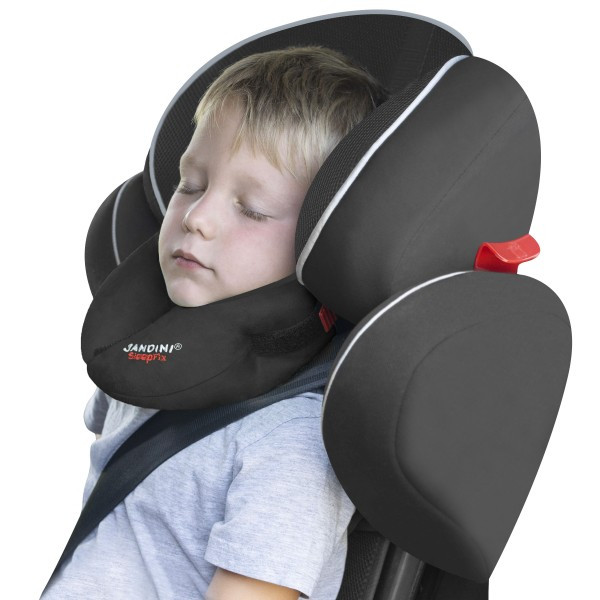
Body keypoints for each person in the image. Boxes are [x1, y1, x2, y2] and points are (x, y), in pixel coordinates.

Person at [42, 45, 389, 600]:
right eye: (191, 184)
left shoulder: (291, 443)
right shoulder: (146, 361)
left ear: (323, 238)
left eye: (251, 208)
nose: (197, 218)